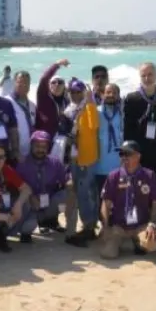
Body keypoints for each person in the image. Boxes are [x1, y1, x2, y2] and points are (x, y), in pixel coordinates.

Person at [99, 140, 156, 259]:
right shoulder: (114, 176)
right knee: (108, 253)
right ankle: (129, 243)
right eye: (121, 154)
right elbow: (105, 203)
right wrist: (105, 226)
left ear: (138, 156)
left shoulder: (149, 175)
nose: (124, 157)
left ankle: (132, 241)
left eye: (127, 154)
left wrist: (152, 223)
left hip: (141, 225)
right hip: (119, 226)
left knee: (152, 244)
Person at [62, 78, 101, 245]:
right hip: (74, 158)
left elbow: (94, 126)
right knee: (78, 192)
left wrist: (90, 102)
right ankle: (88, 224)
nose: (75, 94)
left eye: (78, 91)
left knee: (87, 193)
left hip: (87, 158)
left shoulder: (89, 108)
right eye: (72, 92)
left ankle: (89, 227)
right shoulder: (68, 109)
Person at [122, 61, 156, 181]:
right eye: (143, 75)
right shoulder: (131, 99)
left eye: (150, 74)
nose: (147, 78)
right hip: (139, 153)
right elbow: (127, 129)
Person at [15, 131, 70, 232]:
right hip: (31, 206)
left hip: (49, 204)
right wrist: (30, 197)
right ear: (31, 146)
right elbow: (15, 188)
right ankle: (32, 223)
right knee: (27, 228)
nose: (40, 149)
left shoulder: (55, 163)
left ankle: (50, 220)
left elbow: (66, 181)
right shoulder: (22, 163)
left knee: (68, 194)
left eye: (44, 147)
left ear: (48, 147)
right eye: (37, 146)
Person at [94, 82, 125, 198]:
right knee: (100, 198)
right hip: (99, 164)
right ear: (102, 94)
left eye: (114, 93)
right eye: (108, 92)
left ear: (118, 95)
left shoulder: (122, 113)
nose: (111, 95)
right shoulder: (96, 112)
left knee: (117, 199)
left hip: (118, 164)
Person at [34, 58, 71, 137]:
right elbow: (44, 79)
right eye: (53, 82)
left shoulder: (67, 102)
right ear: (49, 86)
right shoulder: (43, 98)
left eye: (60, 82)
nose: (57, 84)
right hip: (45, 141)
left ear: (64, 87)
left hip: (63, 140)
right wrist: (57, 64)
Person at [5, 68, 36, 150]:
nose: (24, 85)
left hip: (30, 152)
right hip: (13, 152)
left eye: (26, 82)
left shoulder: (32, 105)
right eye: (20, 82)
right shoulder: (6, 102)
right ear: (14, 83)